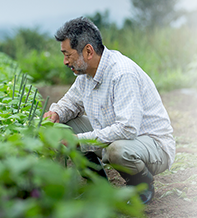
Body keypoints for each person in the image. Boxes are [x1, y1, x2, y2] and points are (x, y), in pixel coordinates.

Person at [43, 17, 175, 204]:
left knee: (117, 150)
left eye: (68, 54)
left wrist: (79, 141)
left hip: (152, 145)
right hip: (121, 137)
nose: (65, 61)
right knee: (65, 124)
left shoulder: (122, 73)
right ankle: (96, 187)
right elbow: (71, 103)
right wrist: (55, 114)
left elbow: (127, 129)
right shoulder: (85, 73)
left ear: (88, 51)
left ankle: (141, 186)